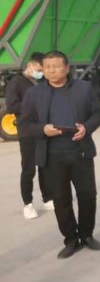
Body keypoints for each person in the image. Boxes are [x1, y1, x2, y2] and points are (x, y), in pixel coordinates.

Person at [18, 51, 100, 258]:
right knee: (60, 199)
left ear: (66, 68)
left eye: (56, 66)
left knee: (87, 195)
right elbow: (25, 124)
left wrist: (86, 128)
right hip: (52, 156)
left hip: (80, 153)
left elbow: (98, 114)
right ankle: (71, 239)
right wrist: (43, 129)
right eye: (47, 67)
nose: (51, 71)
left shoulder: (83, 88)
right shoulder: (34, 93)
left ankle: (87, 235)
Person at [5, 52, 53, 219]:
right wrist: (33, 107)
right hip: (27, 131)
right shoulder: (17, 82)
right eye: (39, 69)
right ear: (30, 65)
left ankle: (48, 198)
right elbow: (12, 106)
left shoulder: (41, 83)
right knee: (28, 168)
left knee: (44, 166)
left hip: (43, 129)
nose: (41, 73)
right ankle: (28, 204)